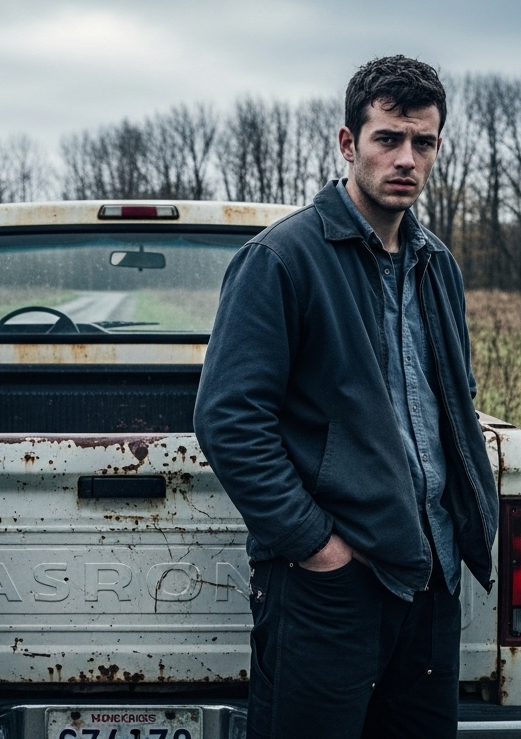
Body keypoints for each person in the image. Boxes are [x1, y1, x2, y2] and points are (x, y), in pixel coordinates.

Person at [194, 55, 499, 738]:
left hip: (430, 581)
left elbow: (453, 403)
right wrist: (315, 545)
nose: (406, 158)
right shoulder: (282, 259)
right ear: (347, 143)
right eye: (387, 138)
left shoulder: (437, 266)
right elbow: (228, 419)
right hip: (331, 588)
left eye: (423, 142)